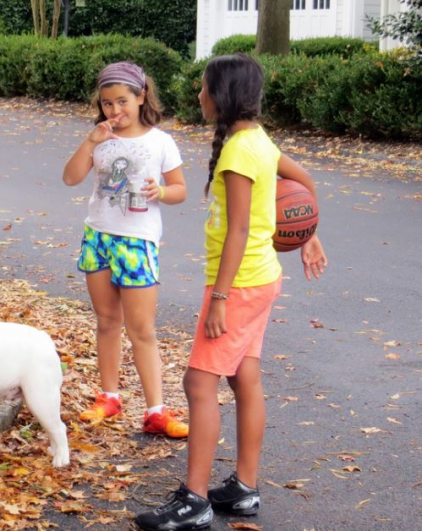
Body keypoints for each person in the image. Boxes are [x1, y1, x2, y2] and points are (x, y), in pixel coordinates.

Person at [134, 54, 328, 530]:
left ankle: (195, 500)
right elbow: (303, 182)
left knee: (198, 383)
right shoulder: (258, 139)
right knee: (244, 378)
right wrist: (309, 235)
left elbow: (239, 230)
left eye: (203, 88)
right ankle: (242, 490)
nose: (199, 95)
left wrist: (219, 298)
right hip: (261, 279)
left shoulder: (241, 149)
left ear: (221, 96)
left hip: (239, 285)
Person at [63, 61, 189, 438]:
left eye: (122, 102)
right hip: (98, 237)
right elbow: (70, 178)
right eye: (106, 104)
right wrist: (91, 141)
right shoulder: (100, 139)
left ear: (141, 96)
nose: (115, 111)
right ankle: (109, 398)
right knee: (107, 321)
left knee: (142, 330)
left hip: (137, 243)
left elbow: (180, 189)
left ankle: (156, 411)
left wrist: (161, 193)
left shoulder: (160, 141)